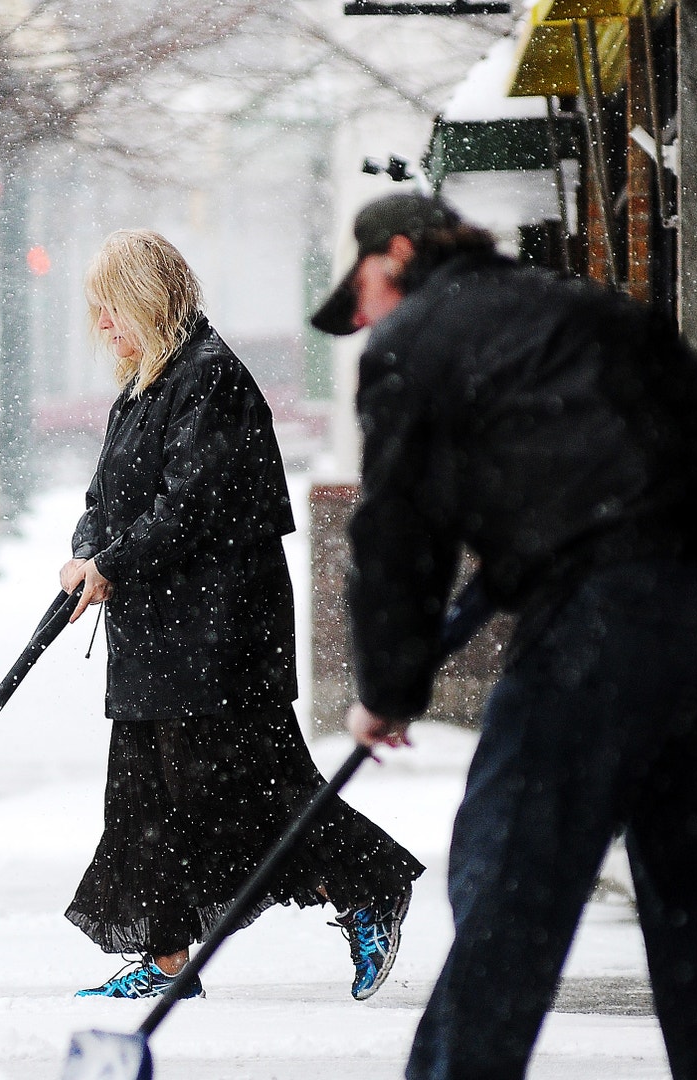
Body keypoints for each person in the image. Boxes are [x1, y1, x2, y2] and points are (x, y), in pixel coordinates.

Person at [315, 193, 697, 1079]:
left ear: (397, 253)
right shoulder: (586, 311)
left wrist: (387, 689)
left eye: (364, 296)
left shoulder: (415, 343)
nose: (365, 322)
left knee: (510, 870)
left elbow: (396, 534)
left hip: (607, 618)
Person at [63, 229, 424, 1002]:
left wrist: (112, 564)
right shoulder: (146, 384)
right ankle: (164, 965)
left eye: (109, 309)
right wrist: (87, 551)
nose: (102, 326)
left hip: (217, 635)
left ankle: (368, 887)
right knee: (144, 799)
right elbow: (107, 498)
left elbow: (191, 504)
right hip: (156, 635)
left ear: (145, 300)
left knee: (248, 789)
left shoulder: (208, 378)